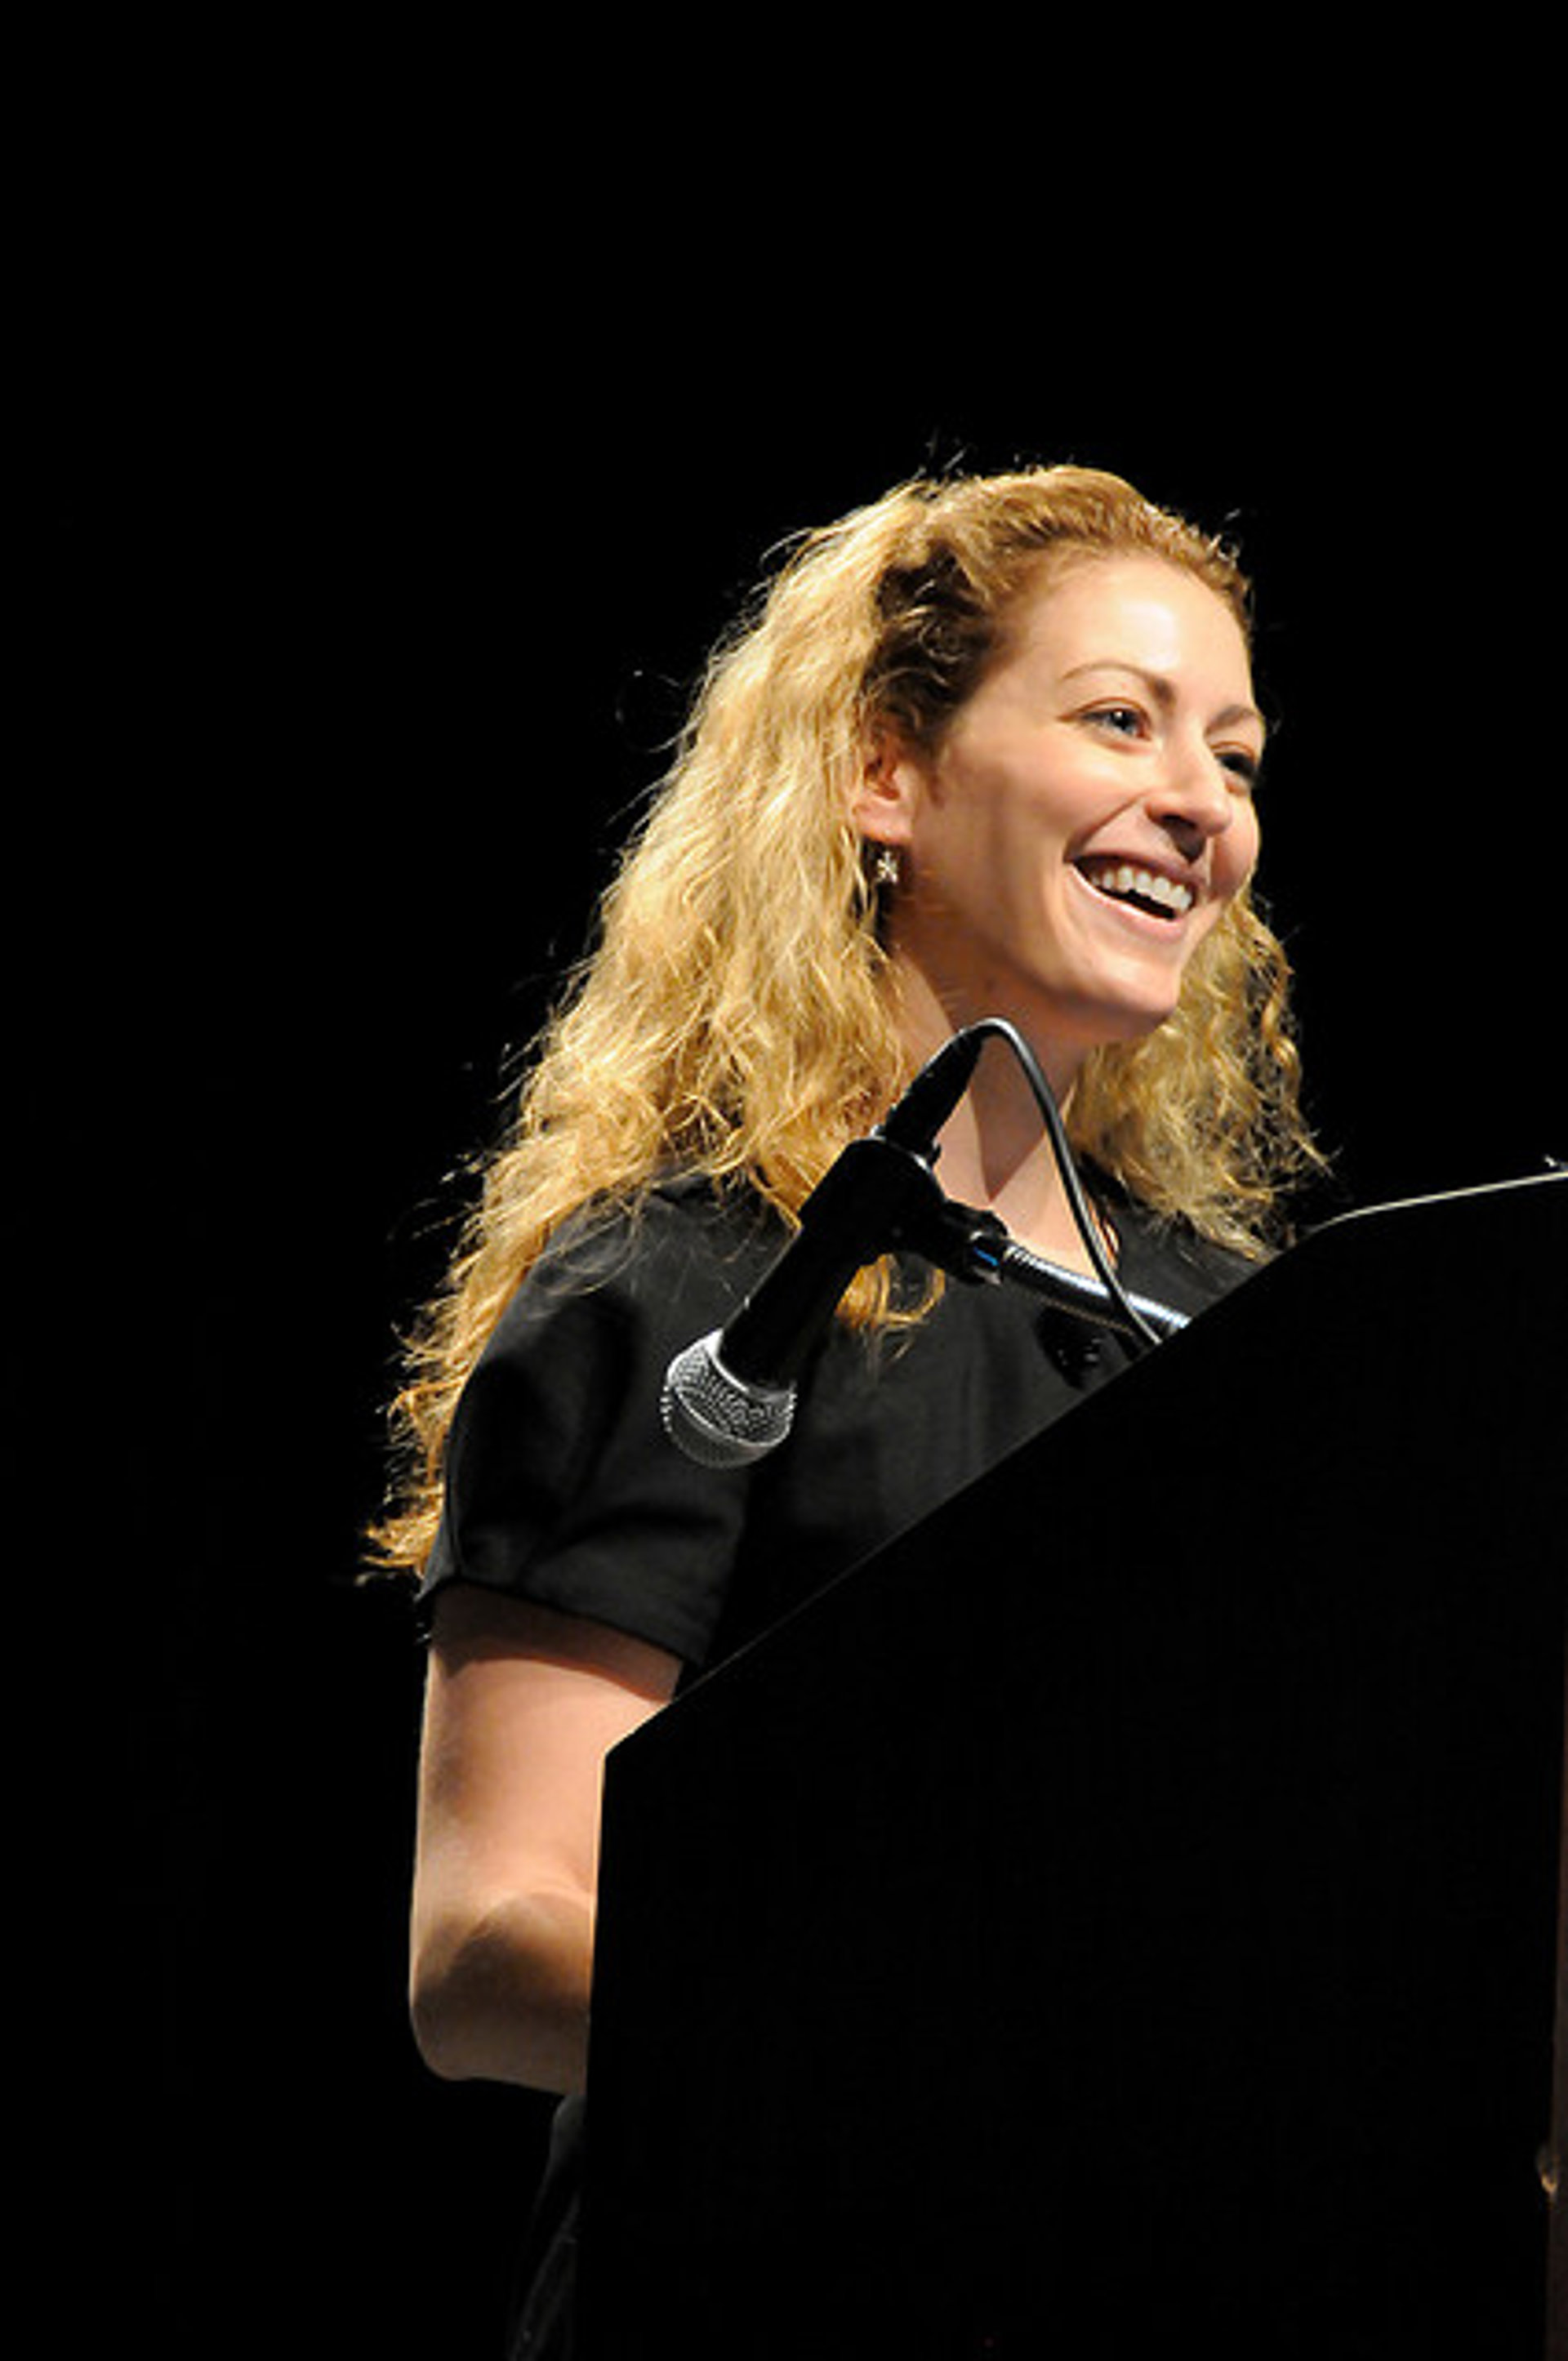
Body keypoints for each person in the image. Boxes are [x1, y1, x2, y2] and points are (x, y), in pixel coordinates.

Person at [369, 464, 1323, 2354]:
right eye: (1119, 719)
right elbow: (486, 1948)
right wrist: (970, 2020)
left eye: (1235, 755)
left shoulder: (1241, 1337)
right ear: (886, 772)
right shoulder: (691, 1289)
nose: (1200, 801)